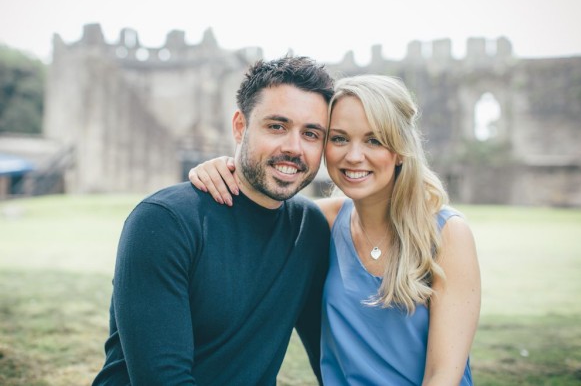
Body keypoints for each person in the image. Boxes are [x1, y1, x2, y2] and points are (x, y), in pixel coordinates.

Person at [189, 75, 480, 385]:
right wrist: (221, 167)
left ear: (399, 149)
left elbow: (443, 376)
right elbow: (258, 199)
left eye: (374, 140)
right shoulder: (319, 222)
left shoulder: (447, 233)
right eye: (339, 138)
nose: (353, 156)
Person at [93, 56, 334, 385]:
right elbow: (164, 380)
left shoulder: (310, 231)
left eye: (311, 134)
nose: (293, 148)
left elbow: (329, 360)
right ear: (240, 126)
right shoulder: (164, 222)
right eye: (277, 126)